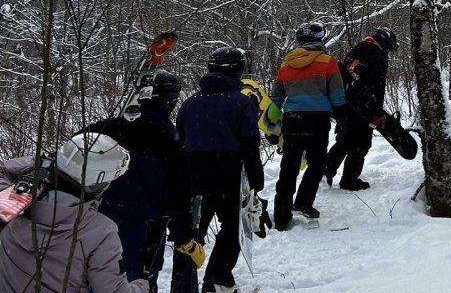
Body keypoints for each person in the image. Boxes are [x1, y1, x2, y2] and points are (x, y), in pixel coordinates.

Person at [0, 132, 154, 293]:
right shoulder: (100, 232)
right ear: (96, 185)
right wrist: (144, 284)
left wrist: (44, 161)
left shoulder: (11, 203)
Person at [85, 72, 201, 290]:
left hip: (95, 223)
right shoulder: (171, 141)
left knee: (94, 278)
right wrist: (184, 237)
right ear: (171, 100)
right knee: (137, 282)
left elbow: (69, 160)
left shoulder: (106, 128)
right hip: (142, 231)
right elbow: (180, 195)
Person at [176, 47, 264, 293]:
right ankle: (218, 279)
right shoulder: (242, 102)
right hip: (229, 172)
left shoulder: (190, 103)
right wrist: (257, 181)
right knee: (234, 227)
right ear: (236, 70)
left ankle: (182, 283)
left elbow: (180, 142)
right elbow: (250, 144)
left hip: (194, 173)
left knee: (193, 230)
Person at [271, 21, 346, 229]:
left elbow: (276, 96)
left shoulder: (286, 64)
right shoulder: (328, 62)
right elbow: (338, 94)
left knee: (289, 168)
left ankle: (281, 215)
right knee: (316, 164)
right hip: (317, 121)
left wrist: (272, 120)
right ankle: (303, 202)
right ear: (319, 39)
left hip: (292, 120)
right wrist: (341, 115)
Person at [326, 27, 395, 191]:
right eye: (389, 48)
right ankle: (349, 181)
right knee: (362, 143)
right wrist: (377, 113)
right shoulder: (378, 55)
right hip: (363, 105)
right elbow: (379, 86)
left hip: (344, 102)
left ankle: (327, 167)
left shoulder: (356, 49)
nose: (388, 52)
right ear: (384, 42)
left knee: (345, 139)